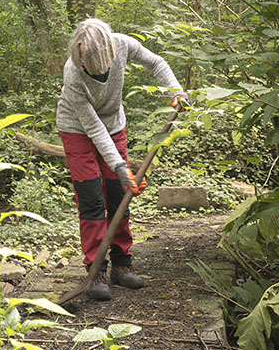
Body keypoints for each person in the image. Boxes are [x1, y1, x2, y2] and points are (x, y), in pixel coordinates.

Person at [56, 18, 186, 301]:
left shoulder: (123, 44)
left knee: (119, 193)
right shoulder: (72, 72)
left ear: (108, 52)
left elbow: (156, 63)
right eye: (83, 59)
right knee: (91, 197)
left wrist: (175, 90)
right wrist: (119, 165)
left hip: (114, 124)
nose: (88, 65)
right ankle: (95, 270)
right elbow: (92, 128)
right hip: (76, 128)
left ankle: (121, 264)